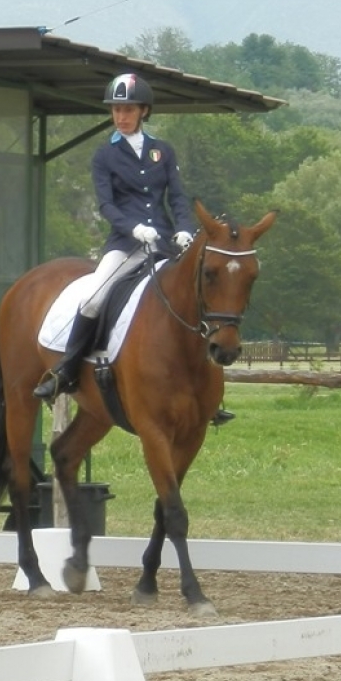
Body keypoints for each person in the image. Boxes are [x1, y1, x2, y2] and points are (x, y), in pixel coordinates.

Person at [33, 72, 234, 426]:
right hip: (125, 245)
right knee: (94, 298)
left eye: (128, 110)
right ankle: (66, 371)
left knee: (198, 298)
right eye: (116, 110)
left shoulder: (163, 151)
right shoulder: (104, 155)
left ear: (144, 111)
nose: (121, 116)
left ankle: (207, 393)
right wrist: (132, 227)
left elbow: (177, 197)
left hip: (166, 244)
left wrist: (185, 230)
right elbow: (106, 206)